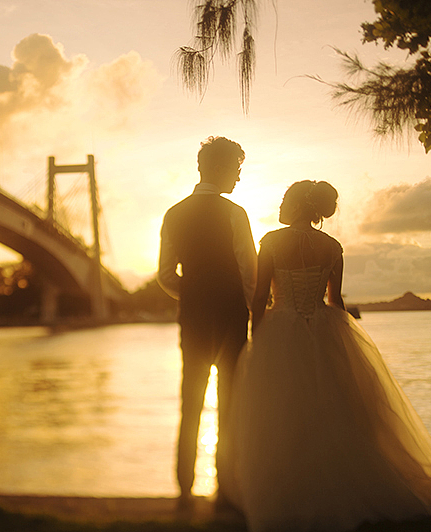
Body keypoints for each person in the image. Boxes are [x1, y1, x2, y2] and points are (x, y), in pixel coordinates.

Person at [229, 180, 431, 531]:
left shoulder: (272, 242)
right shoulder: (332, 247)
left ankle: (290, 491)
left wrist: (255, 337)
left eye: (284, 201)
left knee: (282, 414)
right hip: (324, 327)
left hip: (280, 331)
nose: (280, 206)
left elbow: (261, 297)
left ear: (295, 206)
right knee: (333, 412)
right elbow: (335, 300)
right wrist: (343, 338)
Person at [158, 136, 257, 510]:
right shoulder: (235, 213)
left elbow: (166, 275)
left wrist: (194, 294)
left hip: (193, 320)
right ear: (218, 167)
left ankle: (184, 489)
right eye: (236, 169)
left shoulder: (173, 214)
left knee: (191, 403)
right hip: (232, 317)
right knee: (229, 404)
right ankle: (224, 491)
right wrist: (256, 312)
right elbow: (249, 273)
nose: (238, 177)